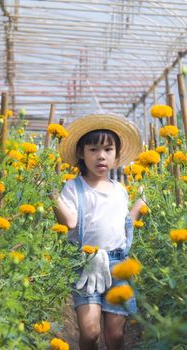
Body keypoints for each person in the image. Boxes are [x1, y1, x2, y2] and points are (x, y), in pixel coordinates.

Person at [51, 113, 145, 350]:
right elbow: (70, 221)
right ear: (82, 154)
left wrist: (139, 204)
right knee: (91, 332)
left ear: (116, 155)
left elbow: (125, 224)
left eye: (108, 149)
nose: (101, 155)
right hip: (86, 263)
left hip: (118, 264)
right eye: (93, 149)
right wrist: (53, 197)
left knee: (115, 335)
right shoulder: (73, 187)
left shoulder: (120, 190)